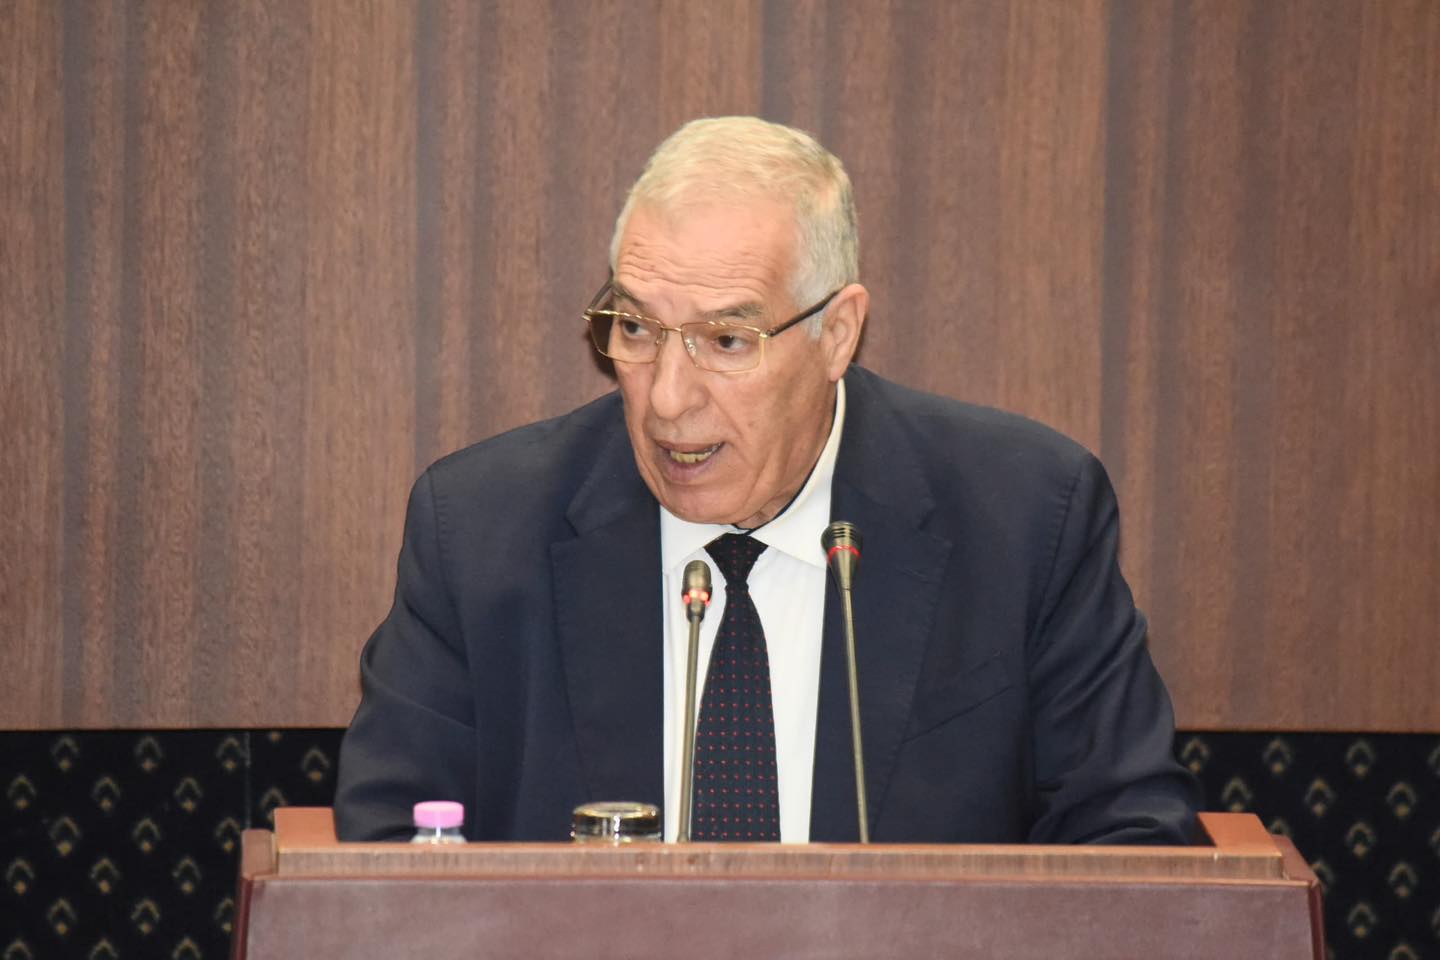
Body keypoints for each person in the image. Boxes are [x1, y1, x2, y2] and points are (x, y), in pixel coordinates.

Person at [335, 116, 1199, 844]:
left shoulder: (1024, 521)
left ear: (836, 334)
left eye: (726, 341)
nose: (667, 399)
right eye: (635, 329)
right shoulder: (480, 533)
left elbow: (1132, 847)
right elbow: (385, 859)